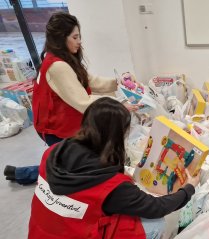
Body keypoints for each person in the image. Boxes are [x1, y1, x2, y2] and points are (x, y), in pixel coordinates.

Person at [27, 97, 200, 239]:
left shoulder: (52, 153)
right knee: (155, 224)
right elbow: (157, 207)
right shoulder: (111, 187)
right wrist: (188, 189)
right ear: (118, 135)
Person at [3, 12, 137, 185]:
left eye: (79, 36)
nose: (79, 41)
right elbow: (83, 103)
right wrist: (119, 104)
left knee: (68, 164)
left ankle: (20, 173)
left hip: (62, 122)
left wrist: (118, 83)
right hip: (55, 127)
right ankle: (24, 173)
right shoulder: (57, 66)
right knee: (73, 168)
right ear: (61, 38)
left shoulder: (63, 58)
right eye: (75, 37)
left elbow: (89, 80)